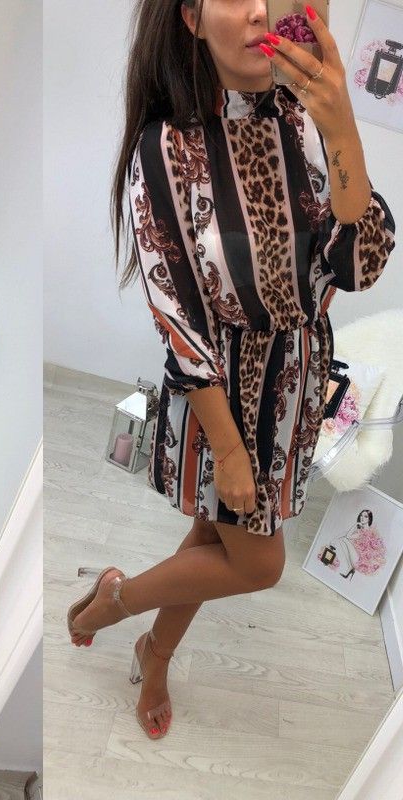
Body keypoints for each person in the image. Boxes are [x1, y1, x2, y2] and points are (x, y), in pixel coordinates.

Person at [67, 0, 396, 741]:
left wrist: (342, 123)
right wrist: (229, 448)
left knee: (217, 538)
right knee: (258, 562)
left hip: (298, 374)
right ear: (190, 17)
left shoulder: (307, 122)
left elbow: (359, 263)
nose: (257, 11)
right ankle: (115, 604)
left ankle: (153, 652)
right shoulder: (167, 147)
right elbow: (176, 314)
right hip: (219, 385)